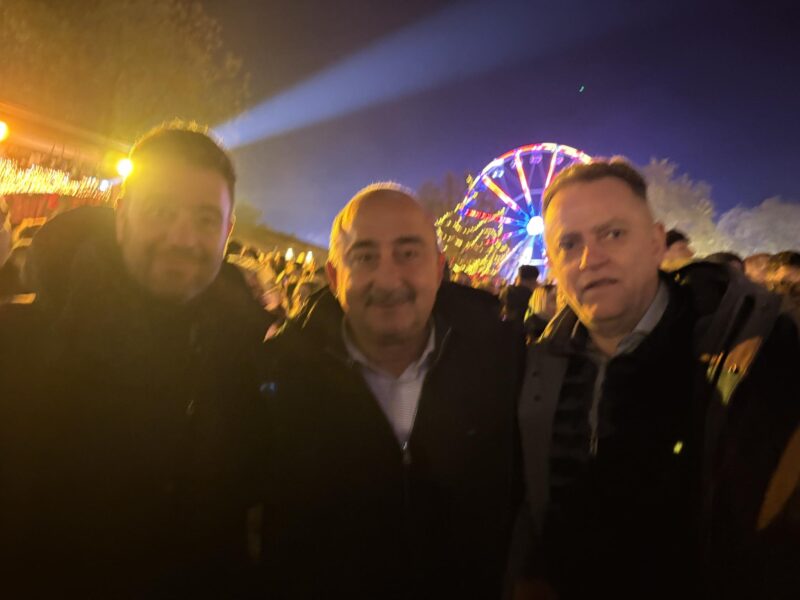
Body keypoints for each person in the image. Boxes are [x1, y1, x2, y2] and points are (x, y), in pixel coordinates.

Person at [0, 123, 267, 596]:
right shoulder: (17, 349)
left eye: (206, 220)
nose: (182, 237)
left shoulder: (248, 367)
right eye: (161, 211)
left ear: (227, 232)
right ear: (121, 215)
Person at [514, 159, 800, 599]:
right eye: (569, 244)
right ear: (552, 263)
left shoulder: (763, 353)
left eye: (613, 234)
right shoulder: (537, 365)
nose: (591, 258)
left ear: (654, 244)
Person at [260, 182, 524, 599]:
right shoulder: (276, 377)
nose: (387, 279)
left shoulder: (506, 366)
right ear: (334, 277)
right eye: (365, 257)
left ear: (438, 270)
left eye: (408, 254)